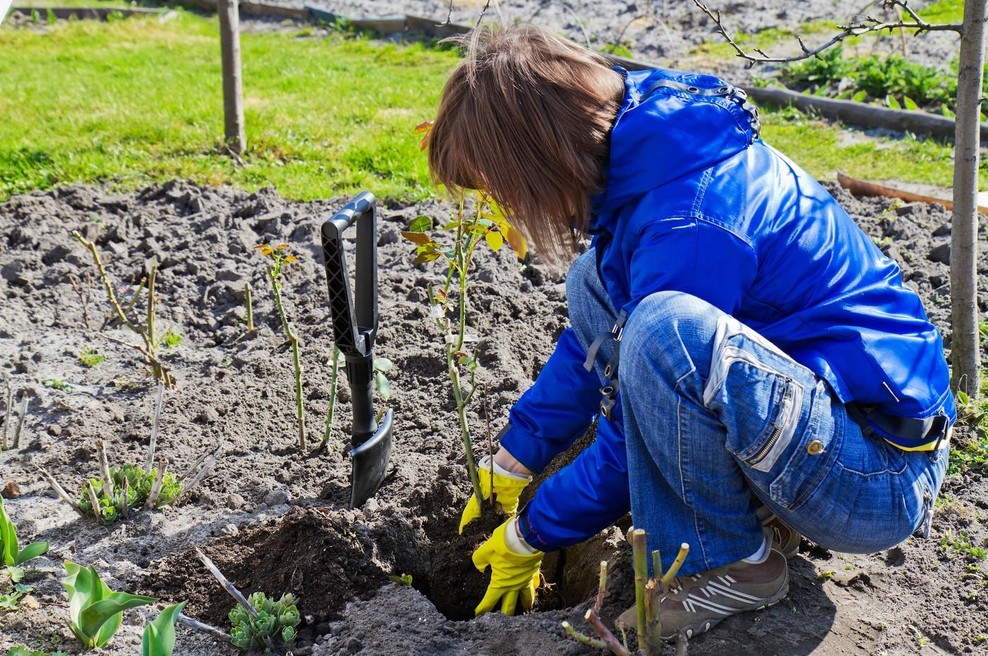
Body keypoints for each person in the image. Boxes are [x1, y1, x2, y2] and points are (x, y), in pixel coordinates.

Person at [427, 23, 954, 639]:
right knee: (592, 281)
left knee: (664, 332)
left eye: (503, 189)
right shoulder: (645, 151)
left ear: (540, 159)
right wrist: (516, 458)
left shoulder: (691, 220)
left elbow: (637, 429)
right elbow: (596, 341)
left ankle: (728, 561)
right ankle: (749, 509)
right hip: (821, 425)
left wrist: (533, 532)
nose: (508, 208)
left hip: (877, 473)